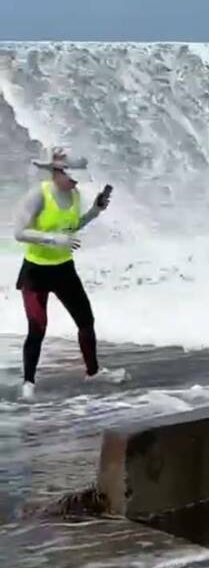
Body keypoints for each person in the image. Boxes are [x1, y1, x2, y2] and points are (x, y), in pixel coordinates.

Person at [13, 148, 113, 400]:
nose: (76, 181)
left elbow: (71, 227)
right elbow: (19, 232)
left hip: (64, 269)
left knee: (86, 322)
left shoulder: (75, 194)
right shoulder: (38, 195)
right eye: (72, 177)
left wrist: (94, 211)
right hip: (36, 271)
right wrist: (52, 239)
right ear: (57, 173)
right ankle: (28, 383)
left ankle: (93, 372)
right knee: (37, 330)